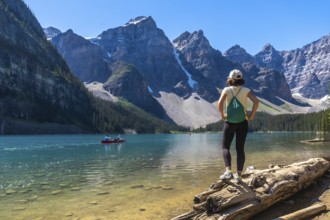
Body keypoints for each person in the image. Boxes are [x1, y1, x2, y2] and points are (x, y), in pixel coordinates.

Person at [217, 69, 259, 183]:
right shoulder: (246, 90)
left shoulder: (226, 89)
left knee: (225, 147)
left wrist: (222, 115)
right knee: (240, 149)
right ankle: (239, 176)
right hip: (243, 122)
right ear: (241, 79)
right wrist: (251, 116)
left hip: (230, 122)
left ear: (230, 79)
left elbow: (220, 103)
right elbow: (256, 102)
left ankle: (228, 172)